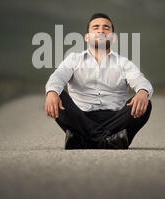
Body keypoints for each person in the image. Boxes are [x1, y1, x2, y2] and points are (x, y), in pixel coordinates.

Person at [44, 13, 153, 149]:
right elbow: (57, 77)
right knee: (56, 94)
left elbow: (140, 80)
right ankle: (110, 141)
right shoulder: (73, 59)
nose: (101, 31)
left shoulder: (123, 63)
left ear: (112, 38)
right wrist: (52, 92)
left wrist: (142, 92)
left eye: (106, 28)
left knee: (145, 102)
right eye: (96, 27)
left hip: (115, 119)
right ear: (87, 37)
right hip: (81, 118)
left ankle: (84, 140)